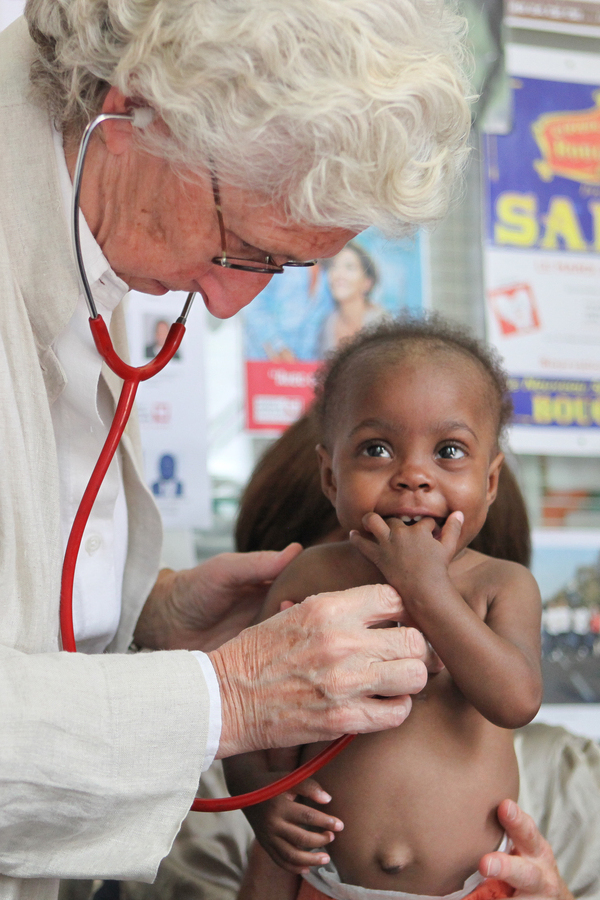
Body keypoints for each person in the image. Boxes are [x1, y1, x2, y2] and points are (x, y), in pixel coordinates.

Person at [0, 0, 473, 897]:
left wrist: (150, 618)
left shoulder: (101, 227)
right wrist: (225, 699)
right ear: (140, 110)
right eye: (244, 251)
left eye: (280, 270)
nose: (225, 306)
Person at [225, 316, 544, 899]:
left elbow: (516, 701)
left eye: (449, 451)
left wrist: (427, 589)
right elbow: (248, 720)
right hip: (327, 883)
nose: (414, 477)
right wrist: (261, 803)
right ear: (329, 474)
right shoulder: (311, 578)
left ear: (491, 481)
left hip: (474, 888)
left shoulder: (502, 585)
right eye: (377, 449)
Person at [319, 242, 387, 355]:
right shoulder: (328, 324)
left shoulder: (381, 323)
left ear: (367, 282)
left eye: (349, 267)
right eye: (333, 266)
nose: (339, 275)